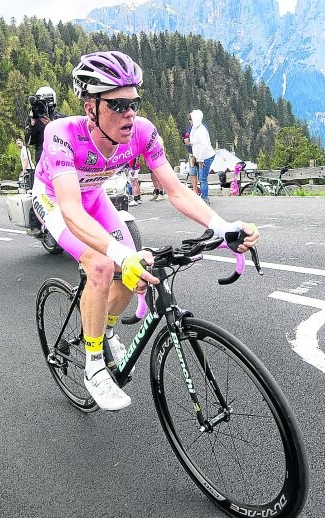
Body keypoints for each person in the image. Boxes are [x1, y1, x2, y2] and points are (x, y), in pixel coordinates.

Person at [31, 50, 259, 411]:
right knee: (103, 265)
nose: (130, 113)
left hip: (93, 195)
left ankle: (104, 329)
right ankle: (93, 367)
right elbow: (71, 211)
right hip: (56, 201)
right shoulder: (62, 133)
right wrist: (119, 254)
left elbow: (177, 190)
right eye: (118, 104)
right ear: (90, 106)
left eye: (134, 102)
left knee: (131, 275)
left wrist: (223, 226)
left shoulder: (143, 132)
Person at [24, 86, 65, 164]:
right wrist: (32, 125)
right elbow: (28, 141)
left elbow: (69, 139)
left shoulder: (61, 119)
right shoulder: (33, 119)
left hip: (60, 157)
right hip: (41, 159)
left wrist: (52, 127)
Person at [188, 109, 215, 205]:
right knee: (200, 176)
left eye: (190, 119)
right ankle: (202, 196)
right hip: (198, 156)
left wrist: (201, 160)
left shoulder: (201, 130)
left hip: (205, 156)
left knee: (203, 178)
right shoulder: (194, 129)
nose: (189, 121)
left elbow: (204, 146)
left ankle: (205, 198)